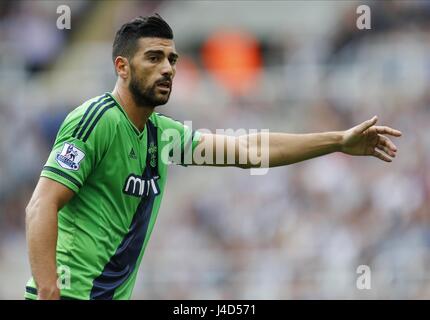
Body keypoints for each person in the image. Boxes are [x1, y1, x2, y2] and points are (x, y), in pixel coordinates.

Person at [25, 14, 402, 300]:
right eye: (153, 58)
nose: (167, 69)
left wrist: (337, 140)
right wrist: (48, 291)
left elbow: (250, 151)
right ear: (122, 67)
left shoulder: (163, 135)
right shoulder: (99, 119)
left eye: (171, 59)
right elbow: (41, 204)